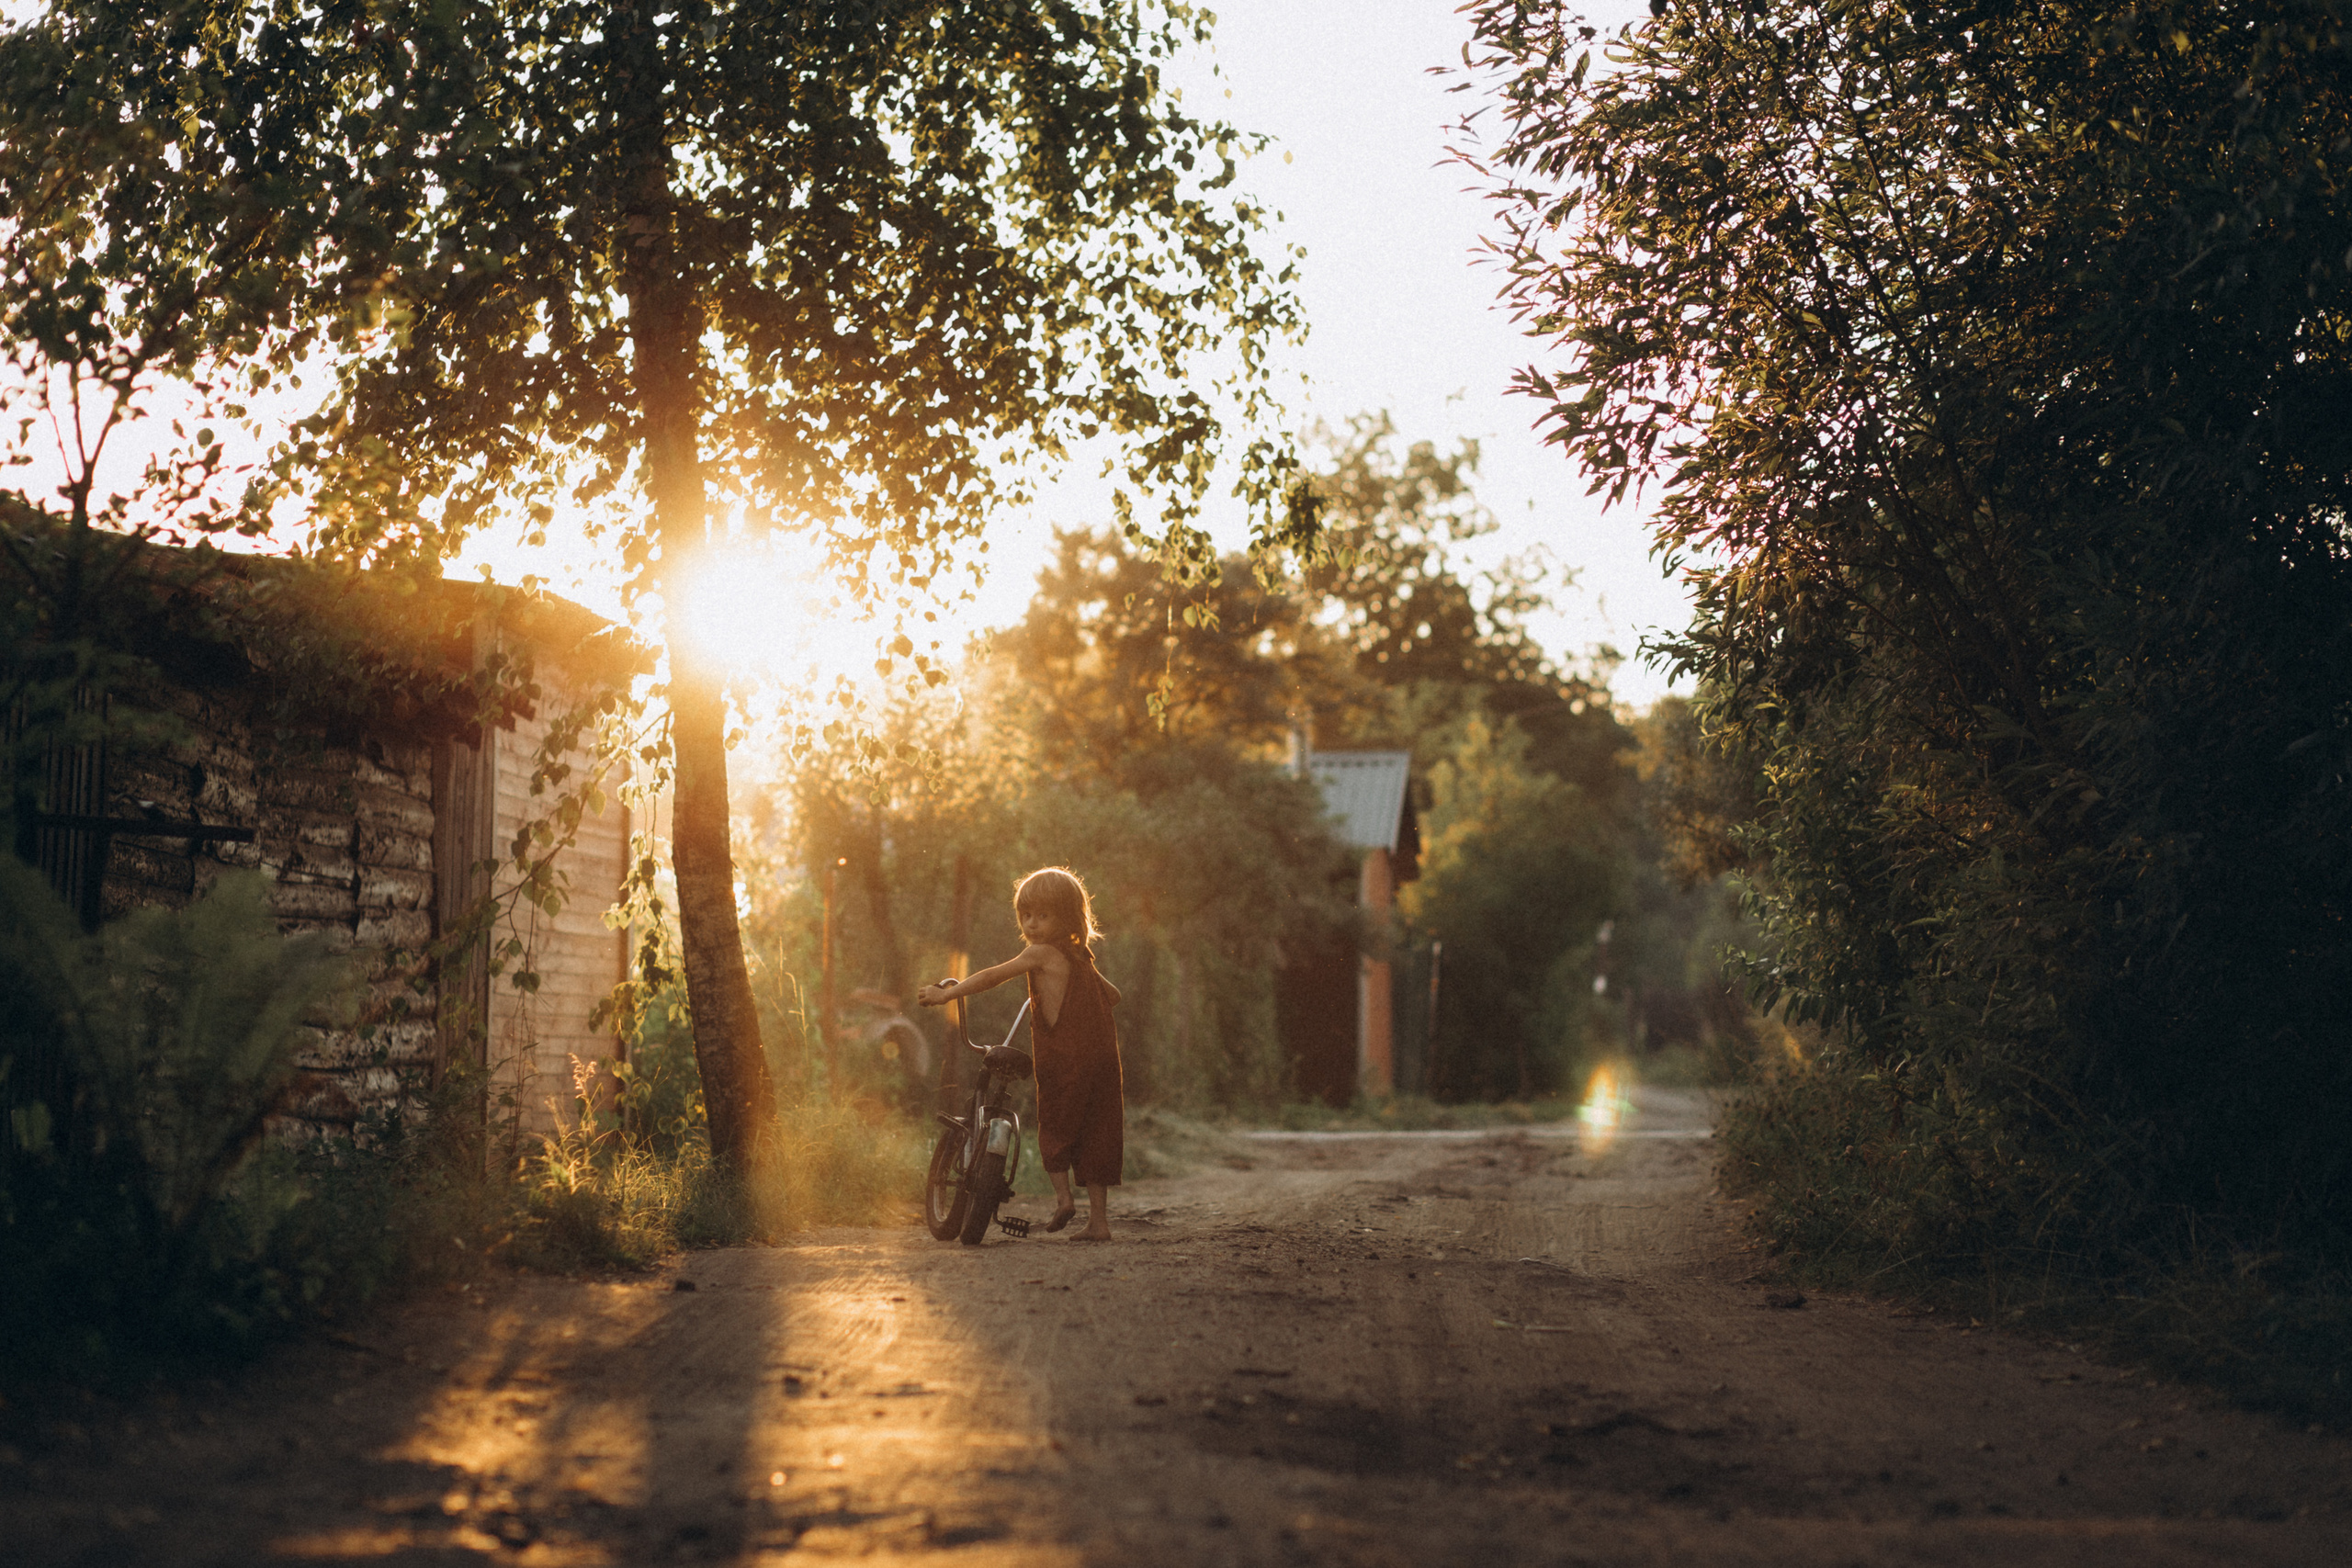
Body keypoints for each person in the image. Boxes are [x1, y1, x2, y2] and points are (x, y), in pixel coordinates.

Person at [918, 867, 1124, 1241]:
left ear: (1068, 917)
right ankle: (1099, 1222)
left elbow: (993, 975)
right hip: (1104, 1060)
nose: (1032, 924)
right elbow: (1113, 996)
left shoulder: (1040, 954)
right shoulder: (1082, 957)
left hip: (1065, 1059)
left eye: (1043, 916)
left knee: (1056, 1124)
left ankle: (1063, 1200)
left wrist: (948, 994)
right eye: (1026, 915)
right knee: (1098, 1130)